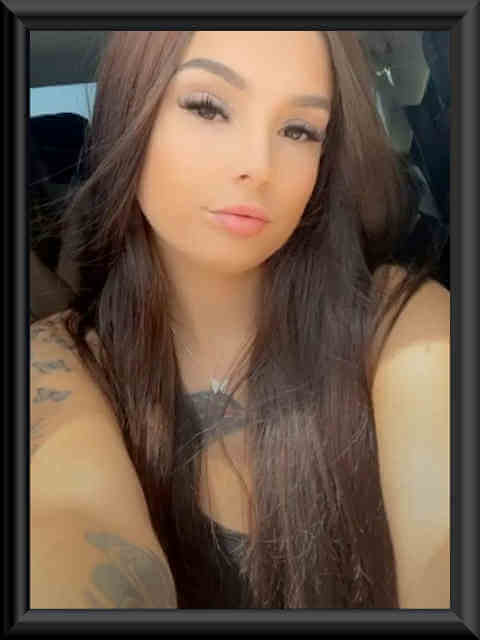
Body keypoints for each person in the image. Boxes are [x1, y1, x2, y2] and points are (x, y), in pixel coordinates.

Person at [30, 31, 450, 609]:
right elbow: (67, 524)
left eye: (299, 130)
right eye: (208, 107)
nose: (258, 165)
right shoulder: (59, 363)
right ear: (131, 111)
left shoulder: (398, 323)